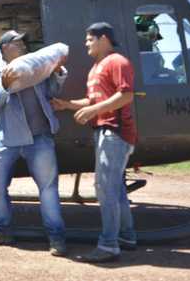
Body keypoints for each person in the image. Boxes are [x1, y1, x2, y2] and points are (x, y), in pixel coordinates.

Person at [52, 22, 137, 263]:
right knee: (116, 189)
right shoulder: (95, 68)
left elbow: (127, 95)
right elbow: (92, 100)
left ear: (103, 39)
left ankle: (109, 245)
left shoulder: (117, 61)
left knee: (105, 188)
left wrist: (94, 111)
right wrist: (67, 105)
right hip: (103, 132)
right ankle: (127, 236)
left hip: (115, 133)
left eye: (90, 39)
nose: (86, 44)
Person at [0, 30, 68, 256]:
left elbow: (52, 91)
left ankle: (56, 237)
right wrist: (4, 85)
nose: (25, 46)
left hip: (40, 137)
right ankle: (3, 230)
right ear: (6, 47)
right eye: (19, 43)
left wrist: (57, 73)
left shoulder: (35, 66)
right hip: (7, 138)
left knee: (48, 188)